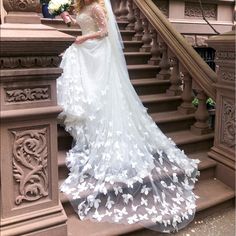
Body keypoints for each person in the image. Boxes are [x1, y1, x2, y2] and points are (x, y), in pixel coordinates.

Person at [57, 0, 201, 233]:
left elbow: (103, 32)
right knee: (82, 90)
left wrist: (83, 39)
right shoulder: (81, 8)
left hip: (96, 54)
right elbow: (83, 25)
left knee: (99, 97)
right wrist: (68, 19)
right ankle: (88, 132)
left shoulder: (96, 7)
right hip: (85, 52)